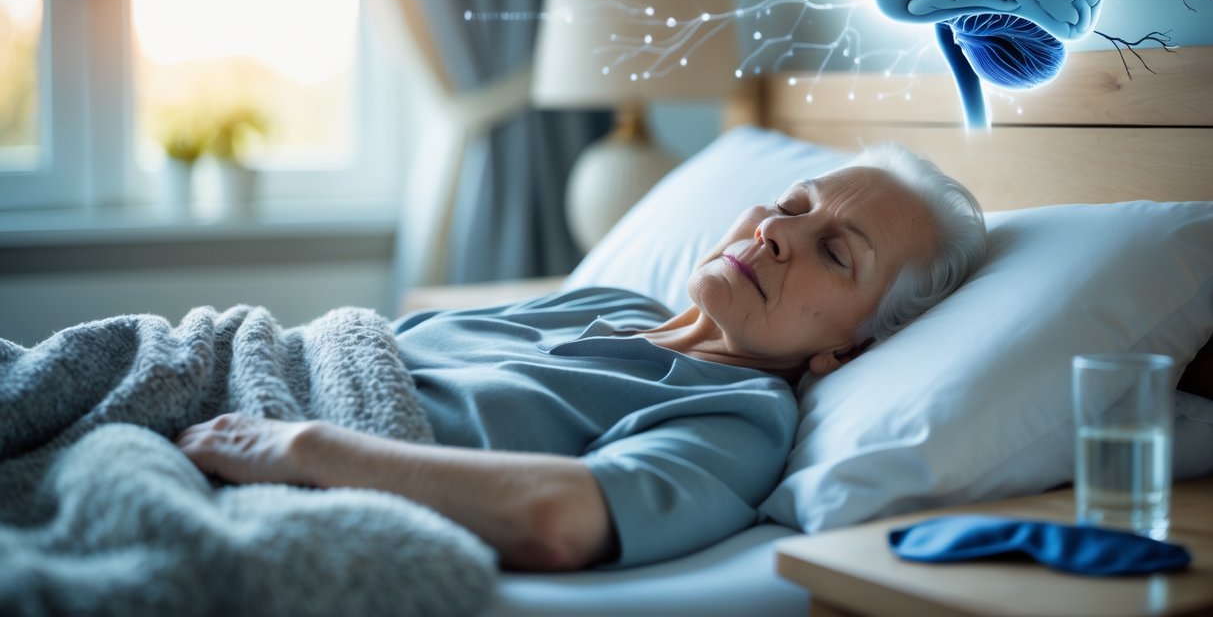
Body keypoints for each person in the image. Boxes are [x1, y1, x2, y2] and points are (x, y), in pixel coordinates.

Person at [175, 143, 988, 573]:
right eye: (789, 205)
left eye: (834, 252)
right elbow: (356, 352)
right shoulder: (612, 303)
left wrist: (309, 449)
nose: (776, 232)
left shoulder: (737, 420)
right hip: (225, 375)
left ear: (851, 347)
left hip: (260, 453)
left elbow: (557, 522)